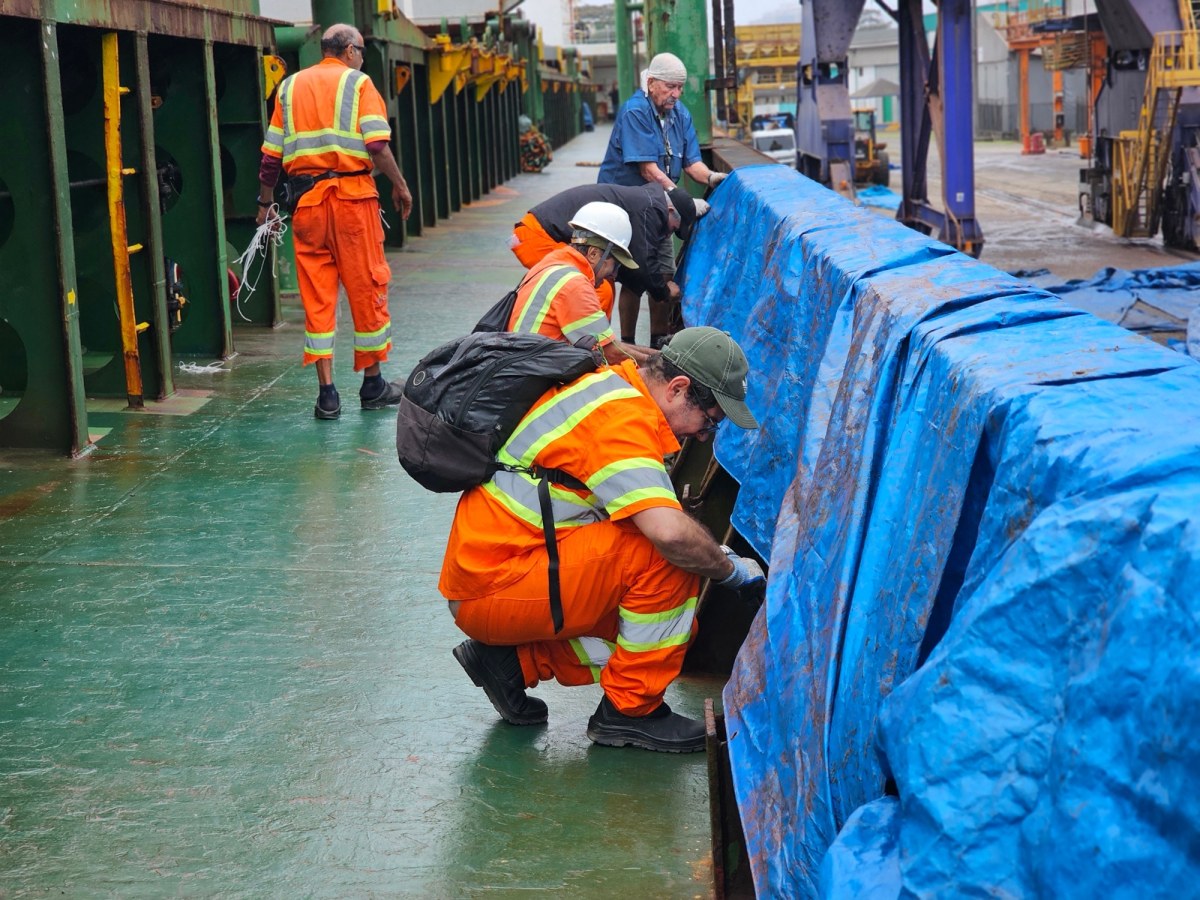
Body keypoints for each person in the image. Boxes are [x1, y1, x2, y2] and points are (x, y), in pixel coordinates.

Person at [440, 326, 764, 753]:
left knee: (669, 632)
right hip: (497, 584)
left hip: (497, 574)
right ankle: (630, 714)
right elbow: (668, 534)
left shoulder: (609, 390)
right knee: (670, 559)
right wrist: (730, 570)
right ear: (678, 388)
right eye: (710, 421)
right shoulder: (621, 420)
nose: (706, 436)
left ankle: (511, 664)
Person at [256, 23, 413, 420]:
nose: (361, 57)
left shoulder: (289, 88)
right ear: (348, 51)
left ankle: (327, 394)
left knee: (317, 298)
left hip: (306, 205)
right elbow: (377, 146)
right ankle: (373, 384)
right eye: (360, 50)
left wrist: (264, 204)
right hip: (352, 202)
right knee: (367, 287)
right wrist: (400, 185)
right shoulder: (359, 85)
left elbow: (271, 157)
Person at [598, 52, 728, 348]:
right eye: (670, 87)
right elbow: (647, 169)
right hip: (628, 209)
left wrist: (711, 178)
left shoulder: (679, 114)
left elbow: (692, 163)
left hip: (660, 209)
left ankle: (658, 341)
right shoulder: (636, 112)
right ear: (652, 82)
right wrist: (681, 199)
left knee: (665, 272)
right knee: (634, 277)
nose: (676, 94)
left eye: (680, 88)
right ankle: (628, 343)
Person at [510, 182, 707, 331]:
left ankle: (597, 341)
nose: (670, 233)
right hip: (536, 235)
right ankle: (595, 346)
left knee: (603, 281)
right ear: (670, 211)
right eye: (674, 228)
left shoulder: (648, 200)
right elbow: (644, 262)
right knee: (600, 289)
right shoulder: (651, 210)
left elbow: (634, 267)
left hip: (538, 231)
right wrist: (664, 292)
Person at [508, 201, 650, 365]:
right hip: (537, 377)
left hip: (525, 367)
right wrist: (659, 362)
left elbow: (609, 346)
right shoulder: (574, 284)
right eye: (615, 265)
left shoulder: (553, 263)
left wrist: (657, 356)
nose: (614, 274)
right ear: (593, 254)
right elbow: (610, 353)